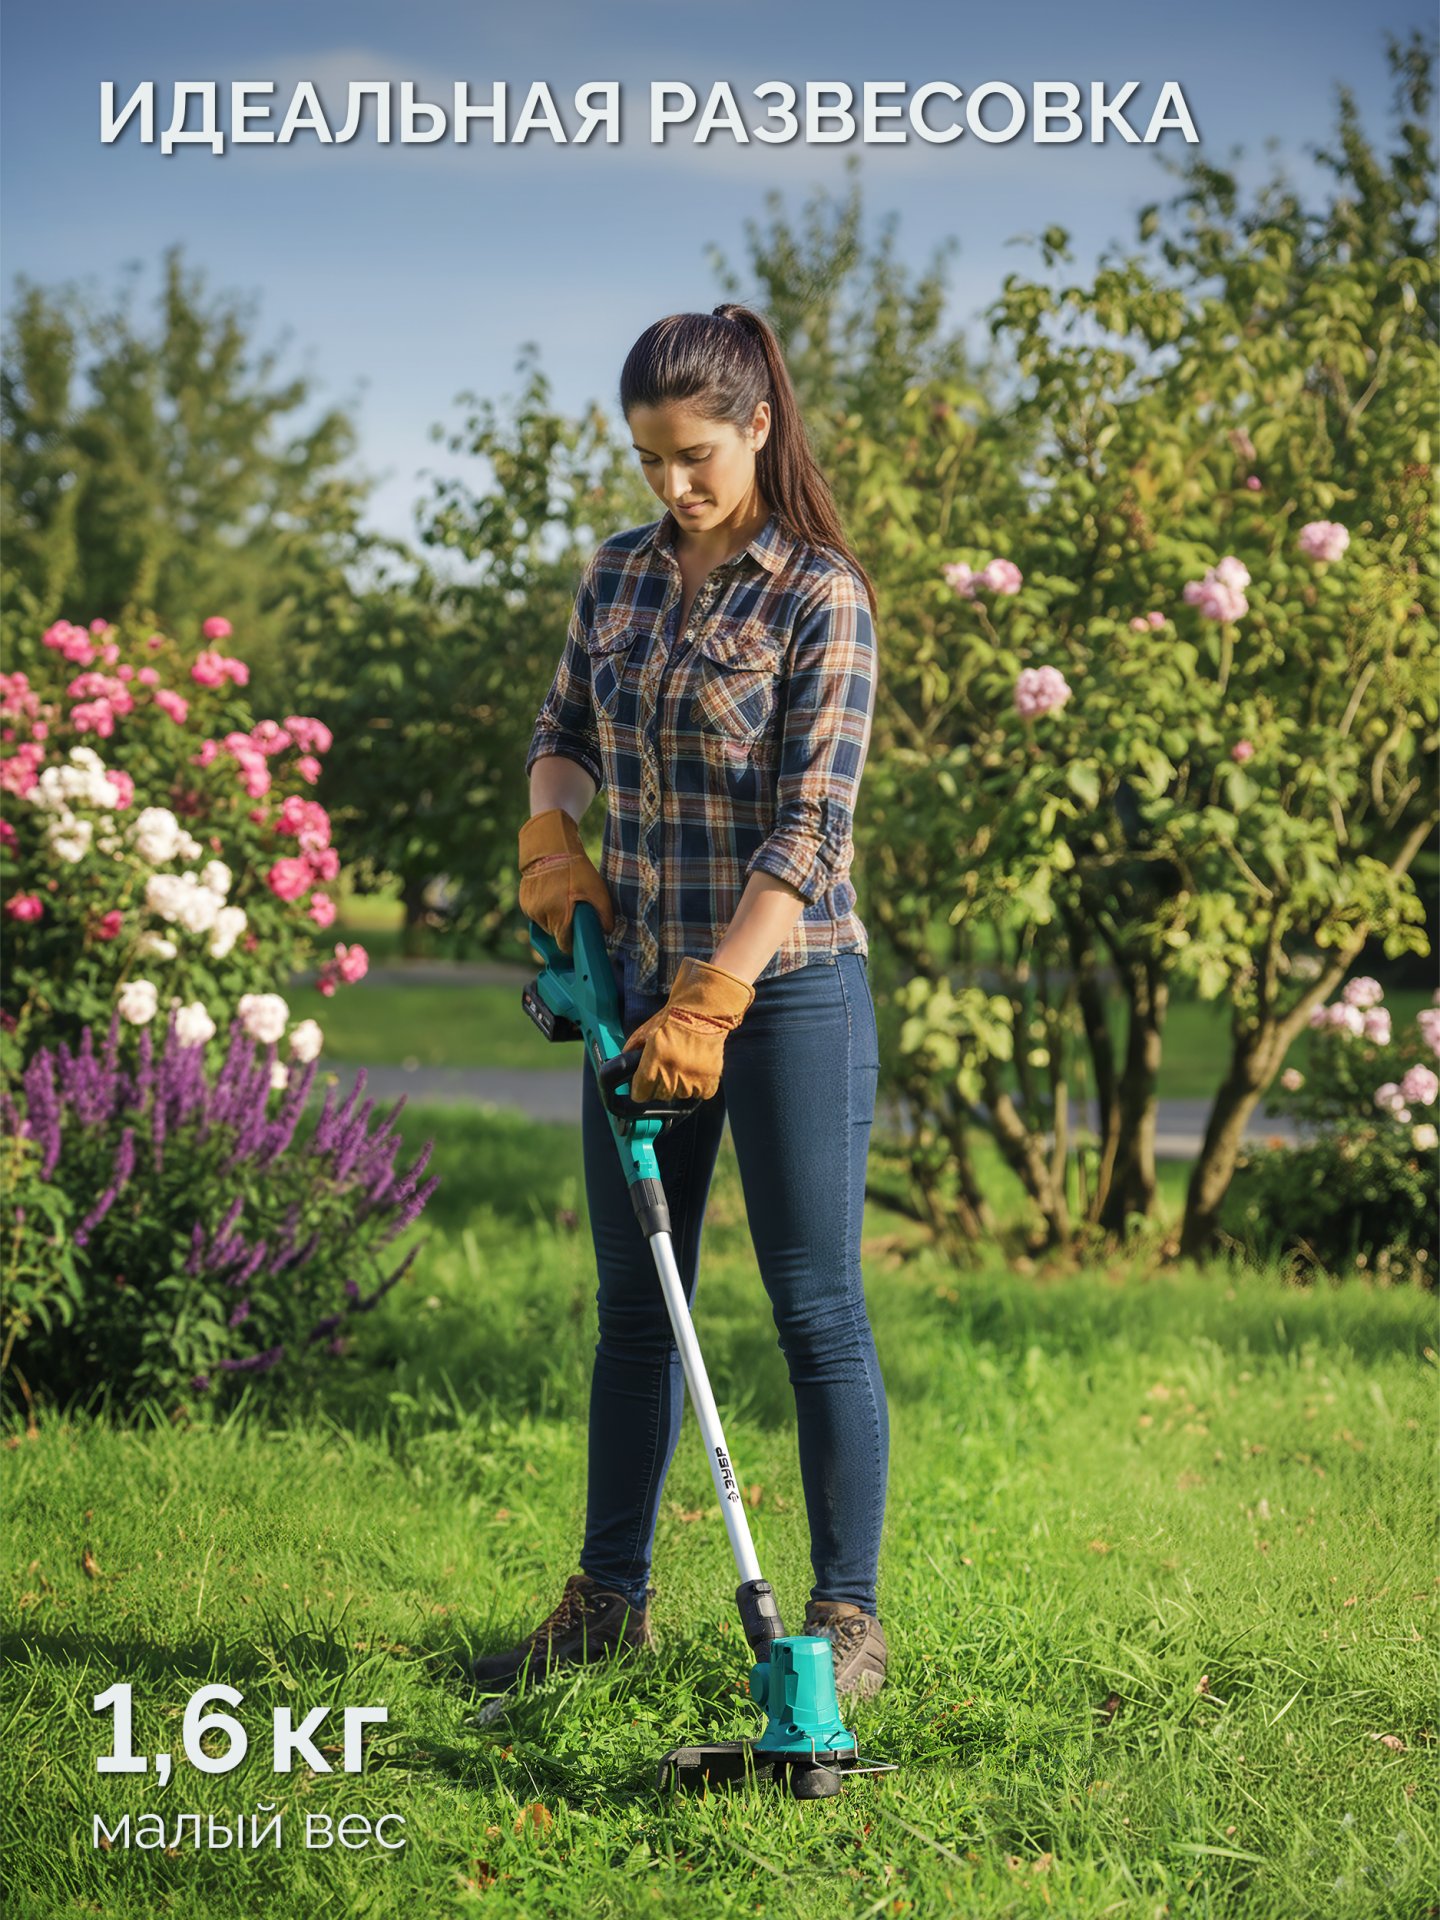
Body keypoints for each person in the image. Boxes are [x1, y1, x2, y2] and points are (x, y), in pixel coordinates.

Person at [467, 303, 888, 1703]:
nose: (674, 485)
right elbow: (561, 736)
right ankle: (607, 1602)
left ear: (758, 423)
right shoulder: (619, 576)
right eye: (650, 459)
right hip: (632, 983)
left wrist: (714, 998)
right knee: (639, 1302)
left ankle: (843, 1619)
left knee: (815, 1304)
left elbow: (809, 828)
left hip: (786, 993)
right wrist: (549, 835)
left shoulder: (819, 595)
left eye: (696, 455)